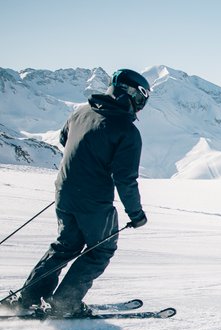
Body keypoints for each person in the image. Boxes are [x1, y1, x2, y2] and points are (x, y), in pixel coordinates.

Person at [15, 69, 151, 317]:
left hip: (64, 190)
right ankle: (65, 303)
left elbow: (64, 138)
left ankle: (29, 298)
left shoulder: (81, 111)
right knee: (101, 248)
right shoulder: (126, 130)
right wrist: (136, 213)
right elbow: (125, 178)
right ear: (132, 94)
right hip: (94, 200)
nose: (141, 105)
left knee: (65, 245)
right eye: (142, 98)